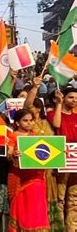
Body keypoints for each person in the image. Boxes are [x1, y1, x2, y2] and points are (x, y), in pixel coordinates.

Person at [25, 76, 64, 230]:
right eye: (32, 107)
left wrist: (59, 103)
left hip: (48, 171)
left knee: (50, 199)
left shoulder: (47, 122)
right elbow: (27, 105)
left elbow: (58, 124)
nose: (33, 109)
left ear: (40, 108)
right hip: (33, 172)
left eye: (36, 107)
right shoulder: (29, 125)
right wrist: (34, 87)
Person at [7, 109, 50, 231]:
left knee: (36, 206)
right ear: (17, 122)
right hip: (19, 176)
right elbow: (8, 154)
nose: (29, 123)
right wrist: (14, 154)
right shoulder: (12, 136)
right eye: (25, 120)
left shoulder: (36, 137)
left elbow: (47, 154)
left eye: (31, 120)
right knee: (21, 205)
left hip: (36, 177)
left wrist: (60, 154)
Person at [47, 86, 77, 230]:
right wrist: (59, 104)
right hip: (61, 160)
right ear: (63, 98)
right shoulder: (53, 113)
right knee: (59, 198)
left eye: (76, 98)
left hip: (75, 162)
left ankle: (72, 228)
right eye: (71, 97)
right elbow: (57, 124)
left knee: (74, 199)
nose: (74, 100)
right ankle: (59, 227)